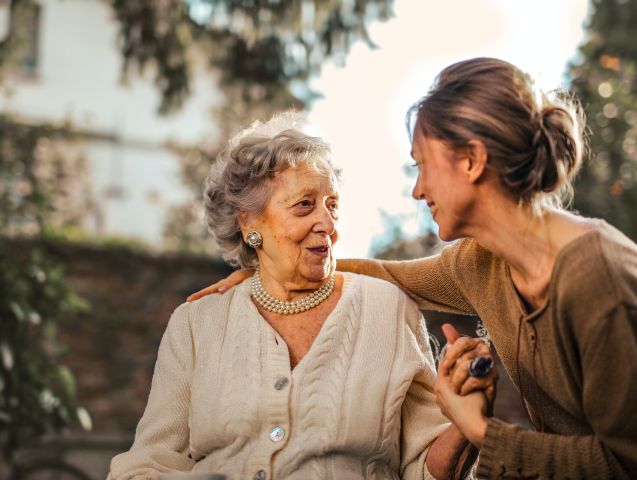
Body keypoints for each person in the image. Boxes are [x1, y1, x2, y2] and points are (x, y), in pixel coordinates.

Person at [189, 58, 637, 479]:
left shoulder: (598, 277)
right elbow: (388, 274)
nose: (418, 191)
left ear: (472, 160)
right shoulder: (480, 263)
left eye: (422, 166)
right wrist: (272, 268)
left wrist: (482, 432)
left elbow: (625, 462)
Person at [109, 113, 497, 480]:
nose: (327, 225)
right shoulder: (196, 323)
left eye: (333, 206)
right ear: (249, 223)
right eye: (305, 205)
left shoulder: (388, 310)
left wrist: (466, 425)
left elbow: (424, 470)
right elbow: (148, 463)